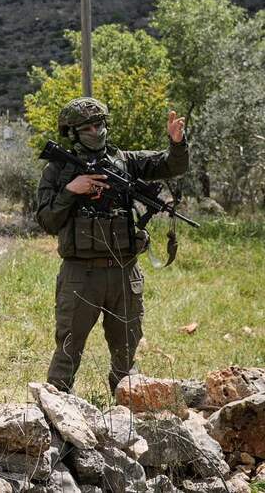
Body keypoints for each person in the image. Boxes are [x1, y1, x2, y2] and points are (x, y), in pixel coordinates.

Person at [36, 97, 188, 394]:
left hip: (124, 273)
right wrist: (72, 190)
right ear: (72, 133)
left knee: (126, 353)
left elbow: (171, 165)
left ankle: (127, 408)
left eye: (99, 125)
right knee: (68, 350)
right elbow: (47, 221)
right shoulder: (57, 170)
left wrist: (177, 143)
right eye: (87, 128)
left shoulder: (125, 161)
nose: (96, 132)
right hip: (80, 275)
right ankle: (56, 410)